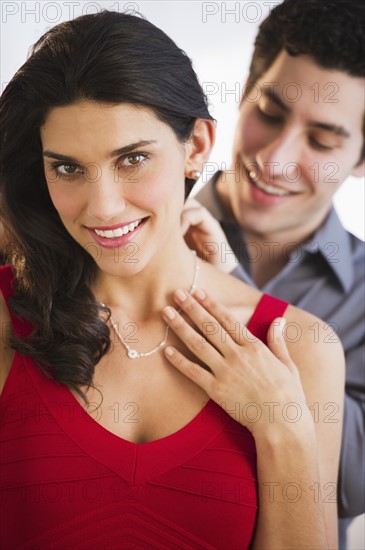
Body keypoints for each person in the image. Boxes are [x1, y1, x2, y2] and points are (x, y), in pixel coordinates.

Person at [0, 10, 344, 549]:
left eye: (132, 158)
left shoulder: (301, 349)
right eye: (67, 168)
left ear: (197, 146)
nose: (104, 206)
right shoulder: (7, 315)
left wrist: (284, 428)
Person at [182, 0, 365, 546]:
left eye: (323, 140)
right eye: (270, 113)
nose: (277, 159)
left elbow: (350, 484)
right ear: (242, 93)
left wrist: (225, 281)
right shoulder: (127, 235)